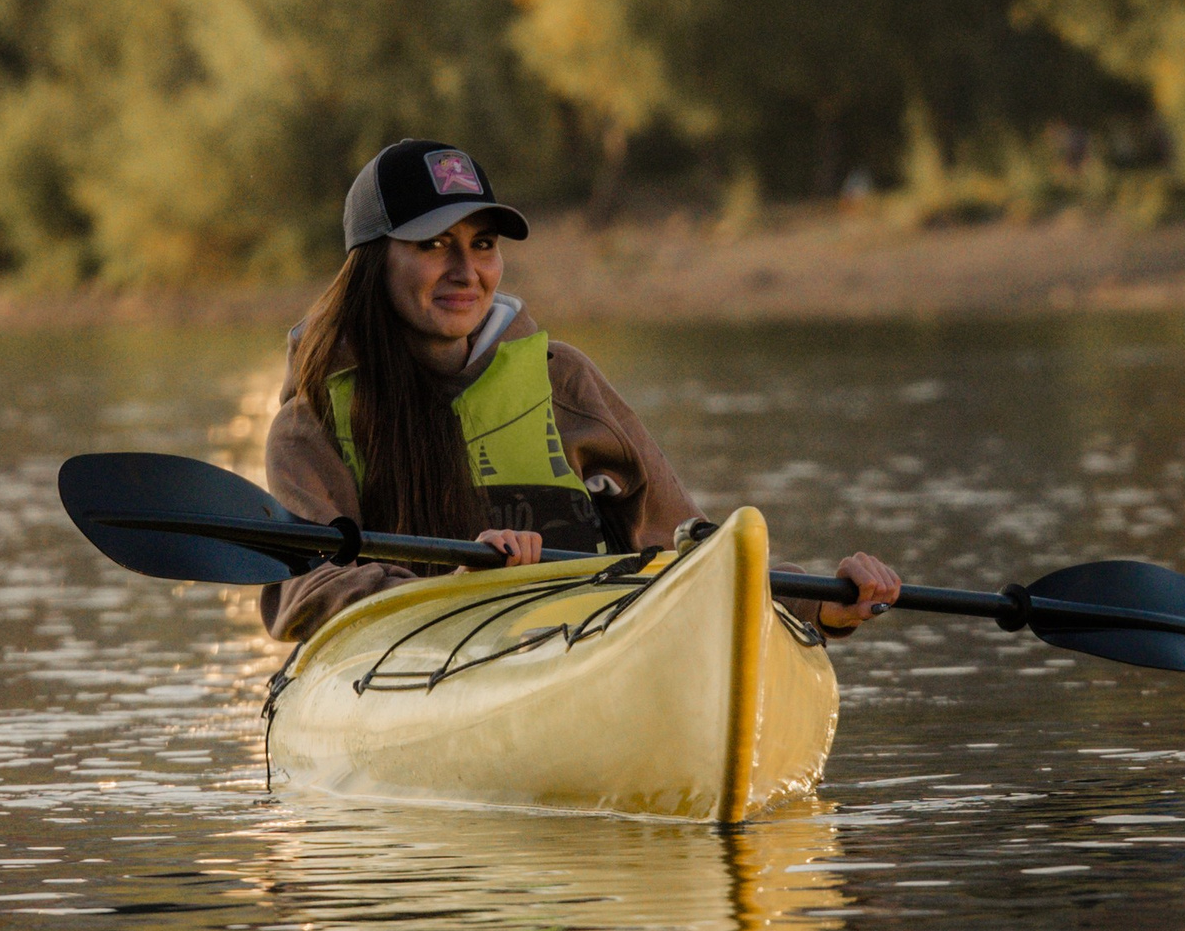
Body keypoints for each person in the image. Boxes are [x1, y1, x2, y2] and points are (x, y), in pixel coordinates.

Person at [260, 139, 902, 646]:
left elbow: (685, 547)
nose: (466, 271)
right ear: (374, 262)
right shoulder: (312, 421)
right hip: (417, 674)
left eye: (482, 244)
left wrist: (823, 601)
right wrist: (452, 593)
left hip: (577, 655)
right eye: (433, 245)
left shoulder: (564, 381)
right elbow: (301, 592)